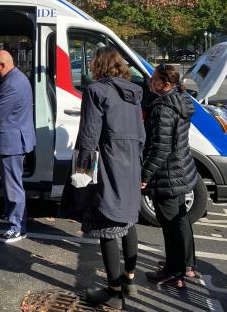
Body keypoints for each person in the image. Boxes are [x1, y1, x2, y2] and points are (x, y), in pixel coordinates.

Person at [76, 46, 145, 311]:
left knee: (107, 225)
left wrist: (82, 170)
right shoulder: (134, 92)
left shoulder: (96, 91)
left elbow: (89, 135)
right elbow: (141, 134)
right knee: (128, 220)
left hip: (108, 160)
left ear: (101, 64)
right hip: (131, 162)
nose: (91, 64)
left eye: (93, 60)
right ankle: (129, 279)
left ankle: (114, 292)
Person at [142, 63, 199, 288]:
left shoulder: (163, 108)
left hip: (167, 173)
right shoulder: (182, 100)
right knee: (181, 219)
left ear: (166, 84)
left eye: (154, 79)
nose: (150, 82)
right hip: (181, 168)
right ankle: (186, 265)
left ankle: (173, 272)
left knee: (170, 225)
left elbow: (160, 149)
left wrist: (144, 175)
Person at [0, 50, 36, 243]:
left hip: (12, 142)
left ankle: (17, 227)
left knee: (13, 185)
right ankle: (11, 215)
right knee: (11, 183)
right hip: (14, 139)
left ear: (3, 65)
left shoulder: (12, 85)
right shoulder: (16, 78)